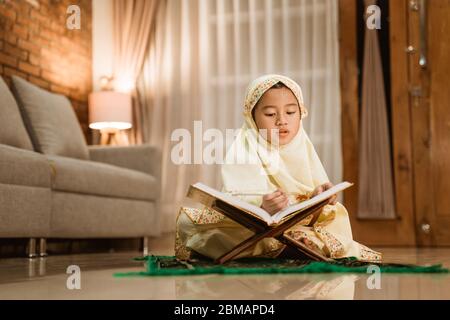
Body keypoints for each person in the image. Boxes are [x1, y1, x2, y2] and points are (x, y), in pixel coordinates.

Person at [175, 74, 381, 262]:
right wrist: (261, 206)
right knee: (192, 225)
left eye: (290, 112)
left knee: (336, 213)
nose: (282, 121)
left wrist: (318, 199)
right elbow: (235, 196)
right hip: (252, 227)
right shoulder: (245, 145)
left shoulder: (303, 145)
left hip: (299, 223)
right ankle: (295, 246)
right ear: (253, 117)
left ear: (301, 114)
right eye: (271, 114)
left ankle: (290, 244)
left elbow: (312, 197)